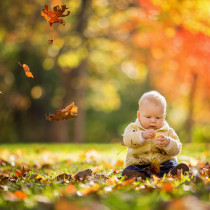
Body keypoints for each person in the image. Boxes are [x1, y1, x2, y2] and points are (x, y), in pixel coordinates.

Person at [122, 91, 189, 180]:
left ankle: (173, 172)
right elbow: (127, 140)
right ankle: (139, 175)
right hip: (139, 164)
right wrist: (142, 135)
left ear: (164, 116)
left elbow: (177, 149)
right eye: (148, 117)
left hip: (163, 164)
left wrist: (168, 143)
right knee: (130, 169)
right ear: (139, 115)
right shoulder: (133, 128)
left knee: (171, 164)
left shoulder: (167, 131)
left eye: (158, 118)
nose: (153, 121)